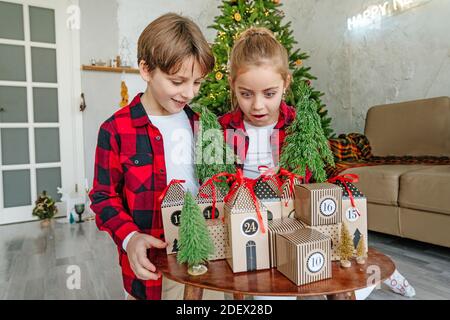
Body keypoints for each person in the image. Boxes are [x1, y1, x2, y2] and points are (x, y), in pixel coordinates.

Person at [219, 26, 415, 300]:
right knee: (271, 288)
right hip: (252, 221)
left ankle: (380, 274)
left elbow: (316, 176)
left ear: (286, 83)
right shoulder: (223, 129)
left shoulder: (299, 125)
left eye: (269, 93)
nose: (258, 106)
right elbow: (217, 181)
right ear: (233, 86)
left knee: (326, 277)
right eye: (246, 94)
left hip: (295, 217)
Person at [89, 13, 223, 300]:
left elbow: (219, 184)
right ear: (146, 70)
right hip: (152, 271)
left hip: (205, 263)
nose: (189, 93)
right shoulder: (115, 130)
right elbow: (103, 197)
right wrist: (130, 238)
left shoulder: (203, 125)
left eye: (197, 82)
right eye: (178, 81)